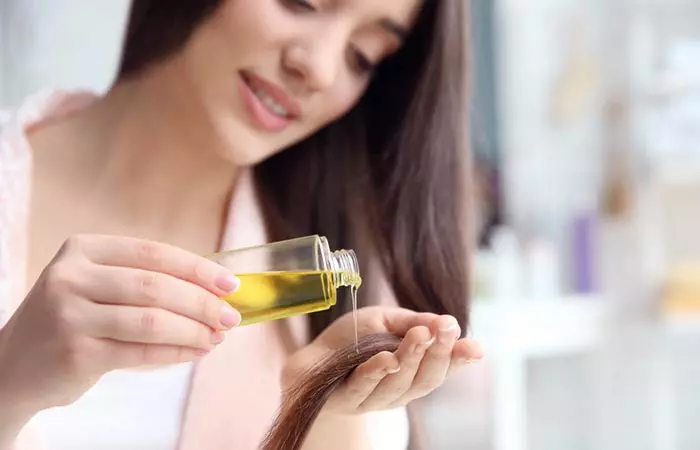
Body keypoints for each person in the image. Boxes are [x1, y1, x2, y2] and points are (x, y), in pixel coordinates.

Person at [0, 1, 482, 449]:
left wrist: (318, 415)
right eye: (303, 2)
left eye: (363, 56)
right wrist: (8, 382)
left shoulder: (334, 307)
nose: (319, 68)